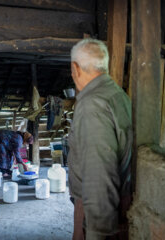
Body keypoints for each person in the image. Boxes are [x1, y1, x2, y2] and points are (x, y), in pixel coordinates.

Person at [68, 39, 133, 240]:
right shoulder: (116, 94)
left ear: (75, 68)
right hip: (120, 199)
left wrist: (98, 232)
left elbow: (99, 171)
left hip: (95, 210)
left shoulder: (92, 105)